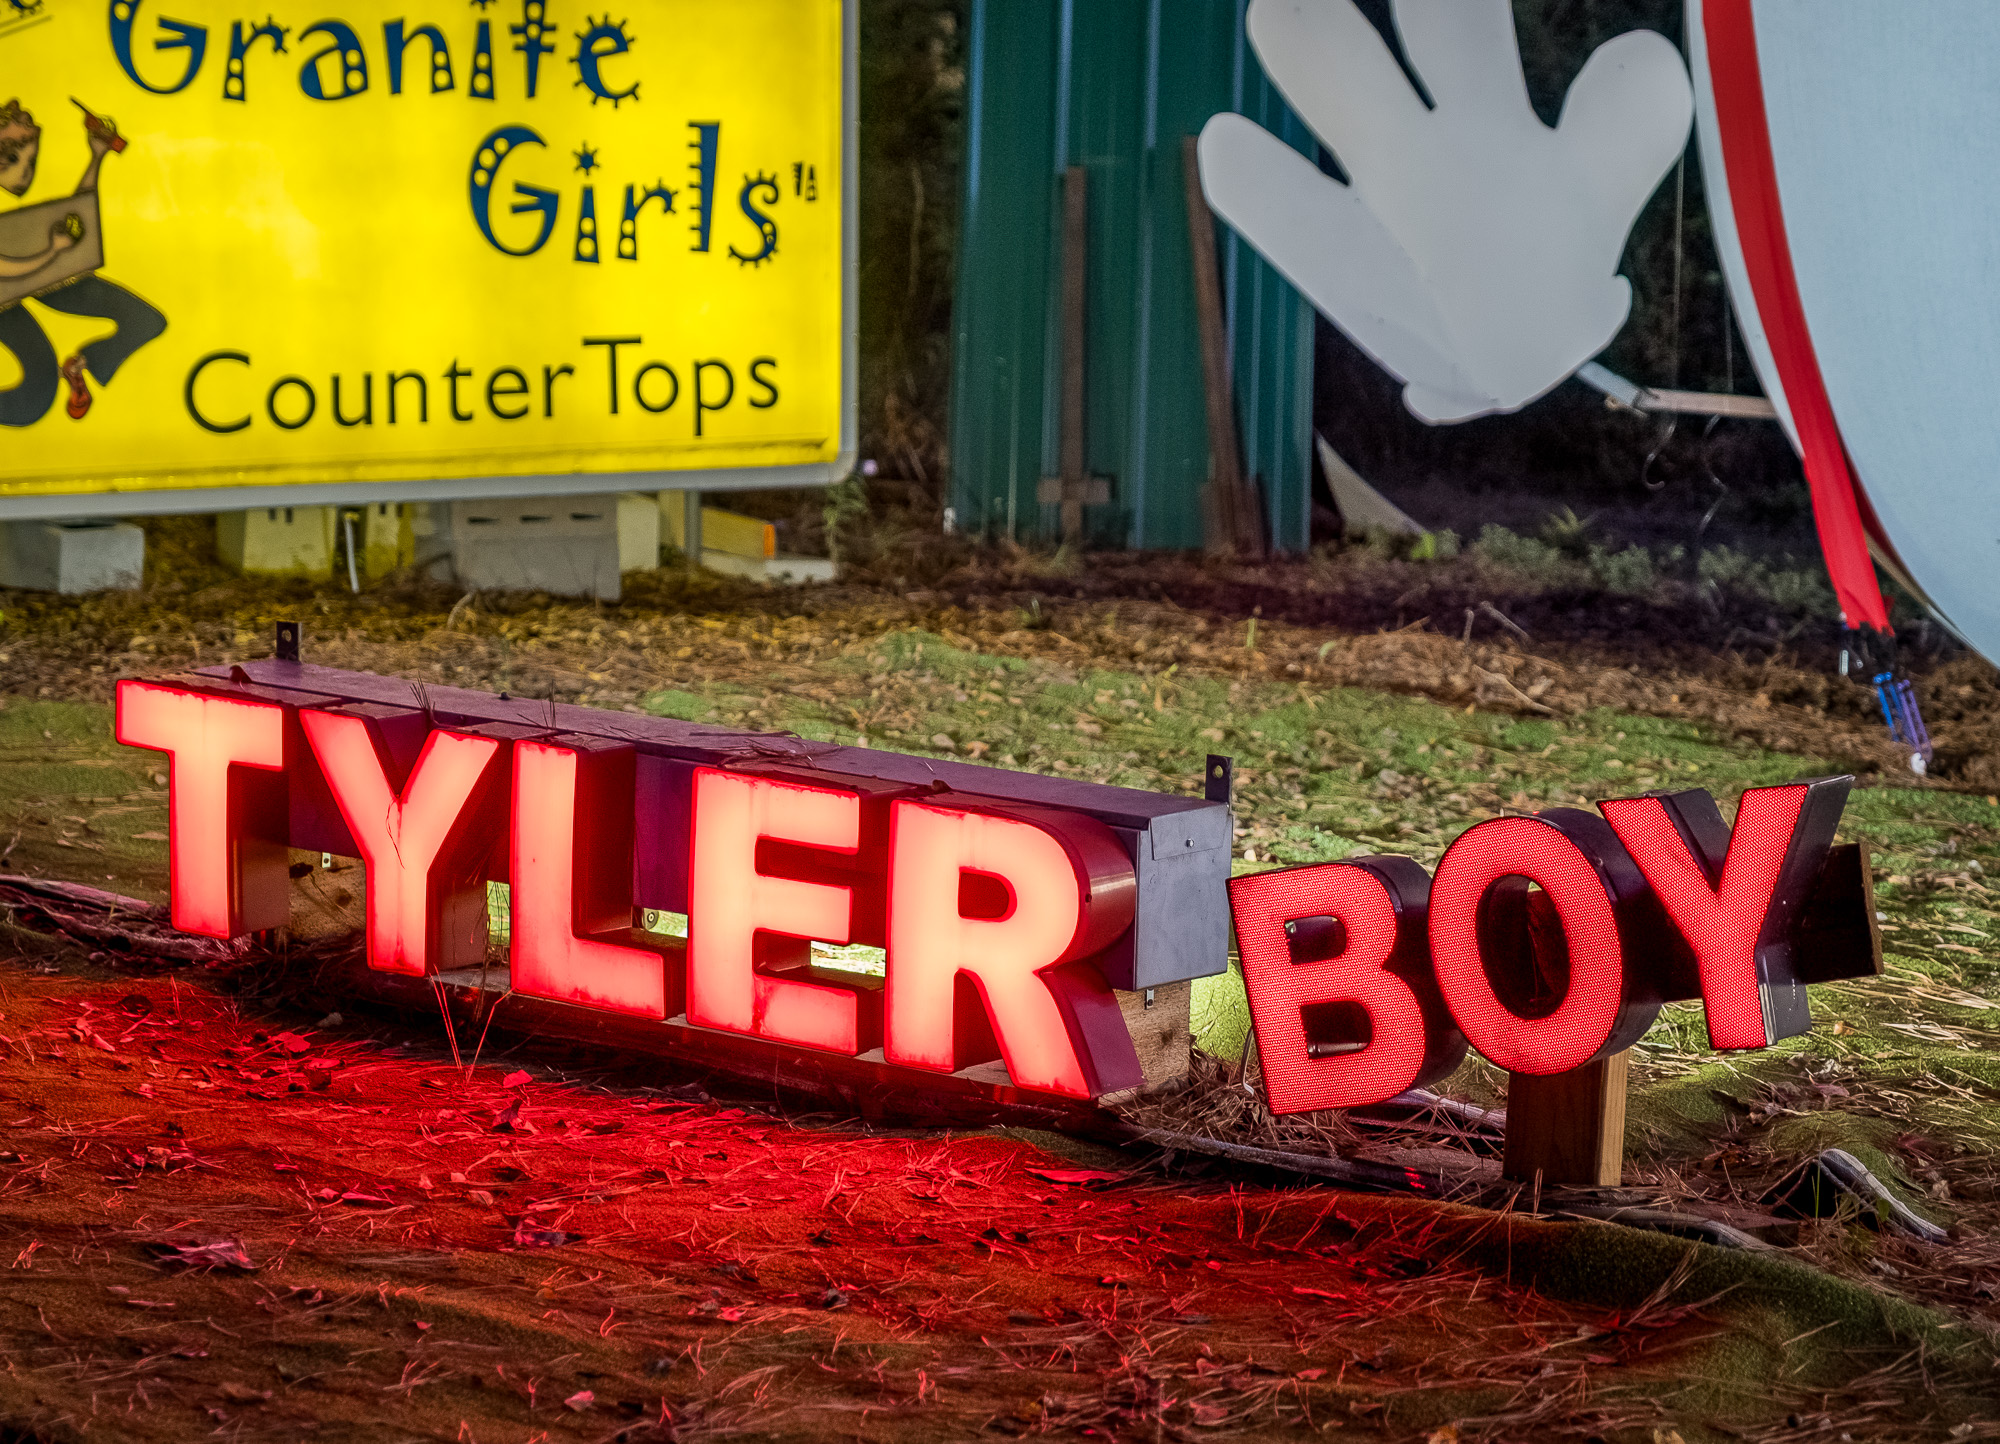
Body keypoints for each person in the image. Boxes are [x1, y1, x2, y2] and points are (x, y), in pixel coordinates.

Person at [0, 98, 165, 426]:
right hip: (10, 293)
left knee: (145, 320)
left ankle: (84, 364)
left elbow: (76, 214)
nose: (24, 174)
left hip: (47, 273)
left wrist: (96, 157)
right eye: (13, 159)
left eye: (30, 161)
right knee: (38, 389)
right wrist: (53, 251)